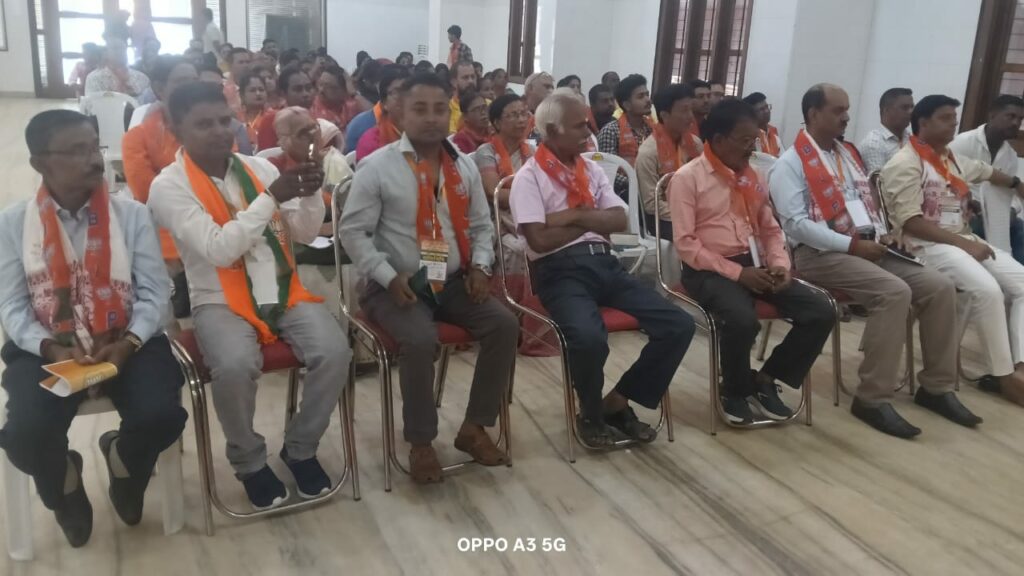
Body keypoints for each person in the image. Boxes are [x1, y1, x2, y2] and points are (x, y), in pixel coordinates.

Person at [149, 82, 349, 509]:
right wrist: (271, 198)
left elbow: (303, 233)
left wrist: (309, 193)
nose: (221, 131)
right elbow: (220, 249)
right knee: (236, 365)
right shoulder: (169, 186)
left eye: (225, 121)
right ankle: (249, 461)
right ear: (176, 129)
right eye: (204, 124)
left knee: (335, 351)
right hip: (218, 297)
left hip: (279, 286)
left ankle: (301, 448)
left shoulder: (258, 168)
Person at [0, 110, 187, 548]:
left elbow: (154, 293)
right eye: (76, 151)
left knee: (162, 415)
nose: (93, 160)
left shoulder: (130, 215)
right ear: (40, 163)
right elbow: (11, 305)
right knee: (25, 435)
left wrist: (130, 341)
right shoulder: (13, 223)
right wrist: (49, 347)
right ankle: (64, 485)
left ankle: (122, 463)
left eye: (94, 147)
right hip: (48, 346)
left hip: (126, 340)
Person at [770, 83, 976, 438]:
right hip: (818, 254)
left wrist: (885, 234)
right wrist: (851, 246)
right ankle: (872, 397)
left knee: (940, 287)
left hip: (865, 247)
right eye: (838, 111)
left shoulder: (845, 155)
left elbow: (867, 204)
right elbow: (797, 226)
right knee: (894, 292)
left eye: (847, 109)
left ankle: (936, 387)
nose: (846, 117)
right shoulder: (789, 163)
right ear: (813, 114)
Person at [340, 73, 516, 484]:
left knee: (505, 325)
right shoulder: (377, 167)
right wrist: (387, 276)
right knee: (420, 339)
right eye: (420, 109)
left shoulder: (463, 165)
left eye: (440, 109)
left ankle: (474, 427)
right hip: (396, 285)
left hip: (452, 280)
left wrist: (481, 267)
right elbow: (352, 233)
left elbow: (481, 225)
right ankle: (421, 442)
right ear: (400, 113)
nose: (432, 118)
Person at [509, 88, 695, 446]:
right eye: (579, 126)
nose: (588, 132)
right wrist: (589, 218)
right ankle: (591, 412)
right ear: (552, 131)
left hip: (605, 264)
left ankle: (618, 400)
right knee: (588, 337)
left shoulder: (591, 169)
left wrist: (572, 215)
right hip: (559, 271)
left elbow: (619, 220)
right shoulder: (529, 178)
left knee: (678, 324)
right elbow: (540, 241)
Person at [671, 99, 833, 423]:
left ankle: (766, 379)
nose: (751, 148)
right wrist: (738, 273)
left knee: (821, 310)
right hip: (707, 269)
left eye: (754, 140)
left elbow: (770, 229)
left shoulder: (753, 175)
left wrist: (780, 265)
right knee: (742, 319)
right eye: (745, 140)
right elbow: (686, 245)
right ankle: (733, 390)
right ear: (718, 140)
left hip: (755, 263)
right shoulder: (688, 178)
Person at [881, 94, 1024, 408]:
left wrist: (1016, 183)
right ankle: (1004, 377)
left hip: (959, 238)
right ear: (923, 123)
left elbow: (986, 172)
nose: (954, 124)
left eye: (954, 118)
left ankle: (1021, 365)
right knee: (987, 290)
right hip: (925, 245)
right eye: (946, 118)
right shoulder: (905, 163)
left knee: (1022, 282)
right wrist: (966, 245)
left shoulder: (950, 158)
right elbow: (912, 223)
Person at [122, 56, 199, 318]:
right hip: (164, 225)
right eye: (182, 81)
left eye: (194, 80)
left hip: (213, 217)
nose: (191, 87)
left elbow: (224, 181)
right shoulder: (137, 137)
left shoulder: (215, 129)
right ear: (159, 88)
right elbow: (147, 192)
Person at [950, 95, 1024, 262]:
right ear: (992, 115)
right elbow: (947, 181)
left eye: (1020, 119)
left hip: (994, 214)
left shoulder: (1010, 155)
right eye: (1011, 116)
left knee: (1019, 227)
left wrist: (1012, 210)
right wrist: (972, 205)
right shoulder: (963, 142)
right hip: (963, 211)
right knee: (977, 226)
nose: (1016, 123)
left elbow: (1009, 194)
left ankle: (1016, 272)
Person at [636, 83, 702, 240]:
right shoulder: (648, 153)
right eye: (684, 111)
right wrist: (687, 215)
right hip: (663, 218)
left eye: (691, 110)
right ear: (665, 115)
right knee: (701, 236)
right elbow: (651, 204)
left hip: (696, 211)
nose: (691, 117)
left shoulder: (696, 144)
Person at [597, 74, 654, 196]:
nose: (647, 100)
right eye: (641, 96)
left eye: (647, 95)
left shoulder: (653, 129)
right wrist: (635, 182)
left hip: (651, 190)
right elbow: (607, 171)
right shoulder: (610, 131)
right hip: (621, 195)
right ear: (627, 105)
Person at [345, 64, 409, 153]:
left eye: (409, 92)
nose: (404, 98)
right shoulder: (363, 130)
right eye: (396, 92)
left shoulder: (417, 129)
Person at [256, 65, 316, 151]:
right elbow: (265, 157)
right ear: (283, 93)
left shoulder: (316, 118)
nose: (305, 94)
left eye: (308, 88)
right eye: (298, 89)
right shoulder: (271, 120)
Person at [859, 87, 914, 175]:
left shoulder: (911, 138)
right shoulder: (874, 143)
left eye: (912, 107)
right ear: (886, 110)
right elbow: (879, 182)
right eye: (905, 108)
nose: (911, 112)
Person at [84, 38, 150, 98]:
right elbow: (91, 104)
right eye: (115, 48)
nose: (119, 52)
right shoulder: (94, 78)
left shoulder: (141, 78)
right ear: (106, 53)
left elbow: (148, 103)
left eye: (122, 48)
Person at [311, 65, 357, 130]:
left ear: (343, 90)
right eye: (320, 84)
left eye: (328, 87)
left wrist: (353, 93)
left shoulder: (350, 103)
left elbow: (372, 116)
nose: (321, 90)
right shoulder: (314, 110)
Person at [742, 92, 784, 157]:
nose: (767, 111)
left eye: (767, 107)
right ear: (751, 114)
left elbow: (783, 158)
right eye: (761, 109)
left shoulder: (773, 132)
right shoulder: (749, 137)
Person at [238, 72, 268, 148]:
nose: (258, 93)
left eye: (261, 90)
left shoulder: (274, 117)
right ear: (242, 95)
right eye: (252, 90)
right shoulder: (236, 118)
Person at [448, 61, 477, 134]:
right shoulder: (447, 109)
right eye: (465, 77)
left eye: (473, 77)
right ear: (454, 82)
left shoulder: (488, 104)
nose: (471, 81)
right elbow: (453, 138)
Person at [223, 47, 253, 115]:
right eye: (241, 62)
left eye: (248, 62)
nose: (246, 65)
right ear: (230, 65)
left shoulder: (258, 85)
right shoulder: (222, 88)